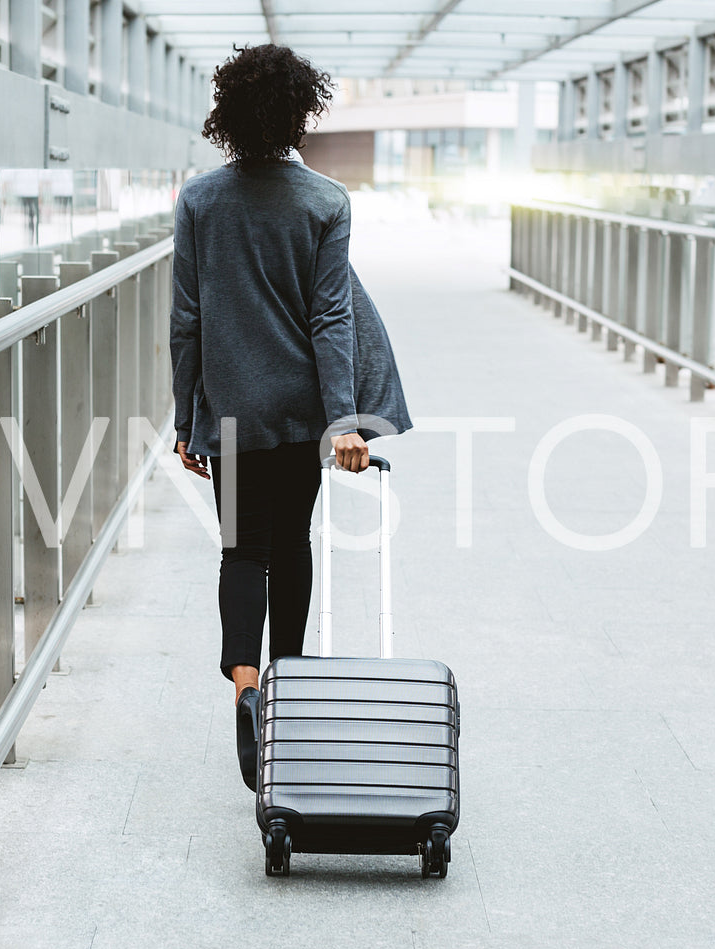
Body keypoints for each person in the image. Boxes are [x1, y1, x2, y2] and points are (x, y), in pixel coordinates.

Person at [170, 44, 410, 792]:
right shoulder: (325, 203)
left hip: (234, 408)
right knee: (294, 544)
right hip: (301, 410)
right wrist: (342, 422)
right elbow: (331, 317)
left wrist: (187, 417)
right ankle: (287, 689)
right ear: (299, 113)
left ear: (227, 115)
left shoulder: (200, 202)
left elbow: (186, 320)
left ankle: (244, 683)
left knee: (242, 550)